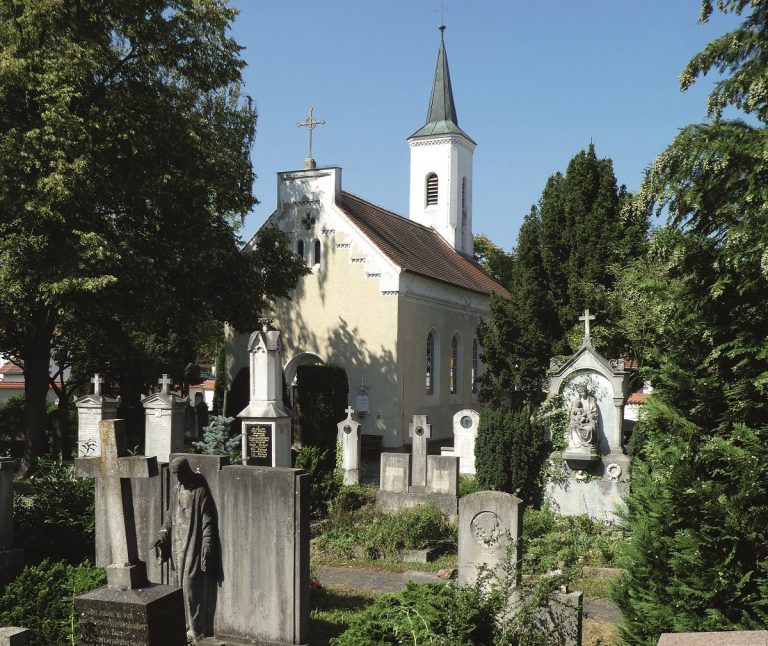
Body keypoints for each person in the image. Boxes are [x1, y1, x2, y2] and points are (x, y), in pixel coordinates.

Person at [152, 457, 216, 643]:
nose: (177, 478)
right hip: (177, 546)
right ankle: (182, 625)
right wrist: (162, 533)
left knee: (190, 586)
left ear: (187, 471)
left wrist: (207, 543)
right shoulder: (176, 490)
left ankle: (195, 629)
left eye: (179, 473)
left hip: (193, 547)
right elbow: (170, 517)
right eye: (174, 475)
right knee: (177, 587)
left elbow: (208, 521)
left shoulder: (200, 492)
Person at [567, 383, 598, 449]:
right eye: (580, 393)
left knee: (590, 429)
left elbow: (594, 412)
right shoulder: (576, 401)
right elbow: (572, 414)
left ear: (586, 391)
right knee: (572, 425)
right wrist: (575, 419)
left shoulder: (592, 400)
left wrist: (587, 417)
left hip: (588, 421)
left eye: (583, 392)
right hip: (578, 421)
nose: (582, 394)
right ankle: (577, 444)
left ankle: (587, 444)